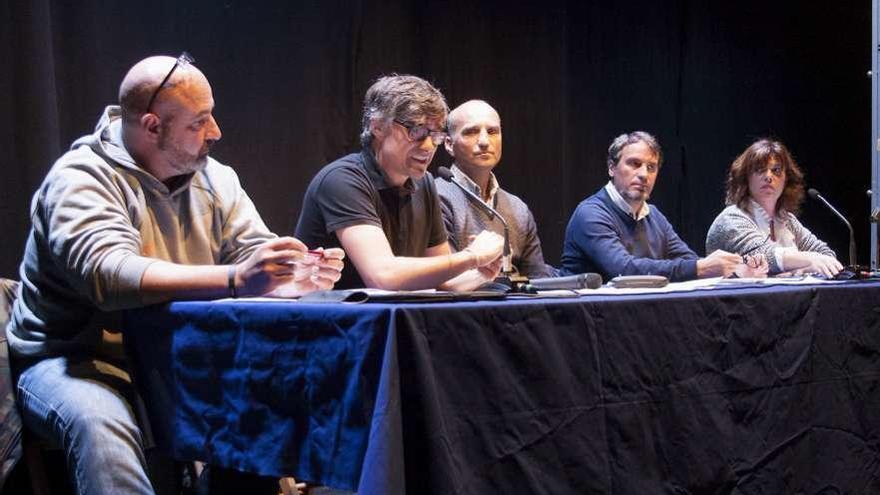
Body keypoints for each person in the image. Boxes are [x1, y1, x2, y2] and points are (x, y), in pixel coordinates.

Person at [5, 54, 344, 495]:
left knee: (266, 407)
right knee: (100, 426)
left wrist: (292, 271)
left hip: (180, 356)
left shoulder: (216, 179)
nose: (216, 132)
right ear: (151, 127)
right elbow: (110, 275)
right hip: (75, 358)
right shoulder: (80, 179)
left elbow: (251, 250)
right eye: (199, 122)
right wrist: (237, 279)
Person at [295, 75, 504, 291]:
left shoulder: (425, 184)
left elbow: (443, 282)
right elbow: (383, 276)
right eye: (417, 132)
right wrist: (472, 256)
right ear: (377, 126)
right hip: (338, 322)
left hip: (392, 320)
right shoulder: (342, 180)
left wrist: (480, 273)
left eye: (435, 135)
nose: (428, 146)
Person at [561, 131, 764, 282]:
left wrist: (734, 271)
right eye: (634, 163)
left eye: (651, 167)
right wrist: (702, 267)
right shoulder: (590, 213)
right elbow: (623, 270)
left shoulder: (653, 215)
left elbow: (687, 259)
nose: (643, 174)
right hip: (588, 325)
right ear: (612, 168)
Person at [436, 100, 557, 279]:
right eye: (471, 132)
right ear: (448, 144)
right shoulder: (435, 196)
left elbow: (539, 280)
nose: (484, 141)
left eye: (492, 132)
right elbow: (445, 278)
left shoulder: (518, 208)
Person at [705, 139, 841, 277]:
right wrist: (810, 260)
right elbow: (764, 256)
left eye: (776, 170)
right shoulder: (731, 219)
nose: (768, 177)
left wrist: (799, 271)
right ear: (745, 178)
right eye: (760, 170)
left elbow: (826, 255)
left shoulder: (787, 220)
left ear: (786, 179)